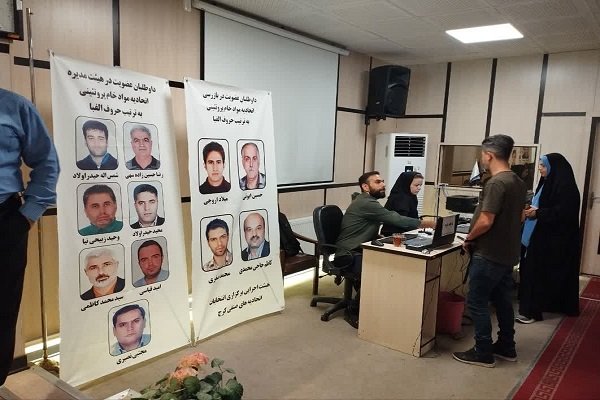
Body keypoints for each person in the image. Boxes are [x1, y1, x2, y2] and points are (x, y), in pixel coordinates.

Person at [0, 88, 59, 385]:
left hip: (4, 221)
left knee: (2, 309)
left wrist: (27, 215)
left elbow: (47, 161)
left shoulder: (15, 106)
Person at [453, 134, 526, 368]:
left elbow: (485, 220)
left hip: (489, 254)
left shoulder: (496, 183)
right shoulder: (517, 181)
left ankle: (483, 351)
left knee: (476, 302)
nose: (482, 159)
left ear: (489, 155)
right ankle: (506, 346)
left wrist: (469, 238)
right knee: (503, 301)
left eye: (482, 154)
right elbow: (521, 216)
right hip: (507, 253)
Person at [335, 171, 436, 328]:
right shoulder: (366, 203)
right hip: (347, 254)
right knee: (381, 270)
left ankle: (368, 301)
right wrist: (429, 223)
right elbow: (396, 219)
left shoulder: (368, 201)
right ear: (365, 187)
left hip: (359, 248)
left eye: (382, 181)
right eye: (377, 182)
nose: (383, 184)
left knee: (388, 263)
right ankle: (352, 310)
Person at [516, 153, 580, 323]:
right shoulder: (546, 183)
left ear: (554, 168)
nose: (540, 168)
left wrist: (538, 213)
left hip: (553, 241)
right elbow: (541, 204)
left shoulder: (566, 188)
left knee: (537, 274)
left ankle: (531, 312)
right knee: (532, 272)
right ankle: (540, 305)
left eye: (543, 165)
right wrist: (531, 209)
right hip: (537, 235)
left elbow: (563, 213)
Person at [381, 171, 424, 236]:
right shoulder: (399, 198)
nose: (419, 188)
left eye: (420, 185)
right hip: (393, 235)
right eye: (416, 185)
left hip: (407, 233)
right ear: (407, 184)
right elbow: (402, 222)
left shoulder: (411, 197)